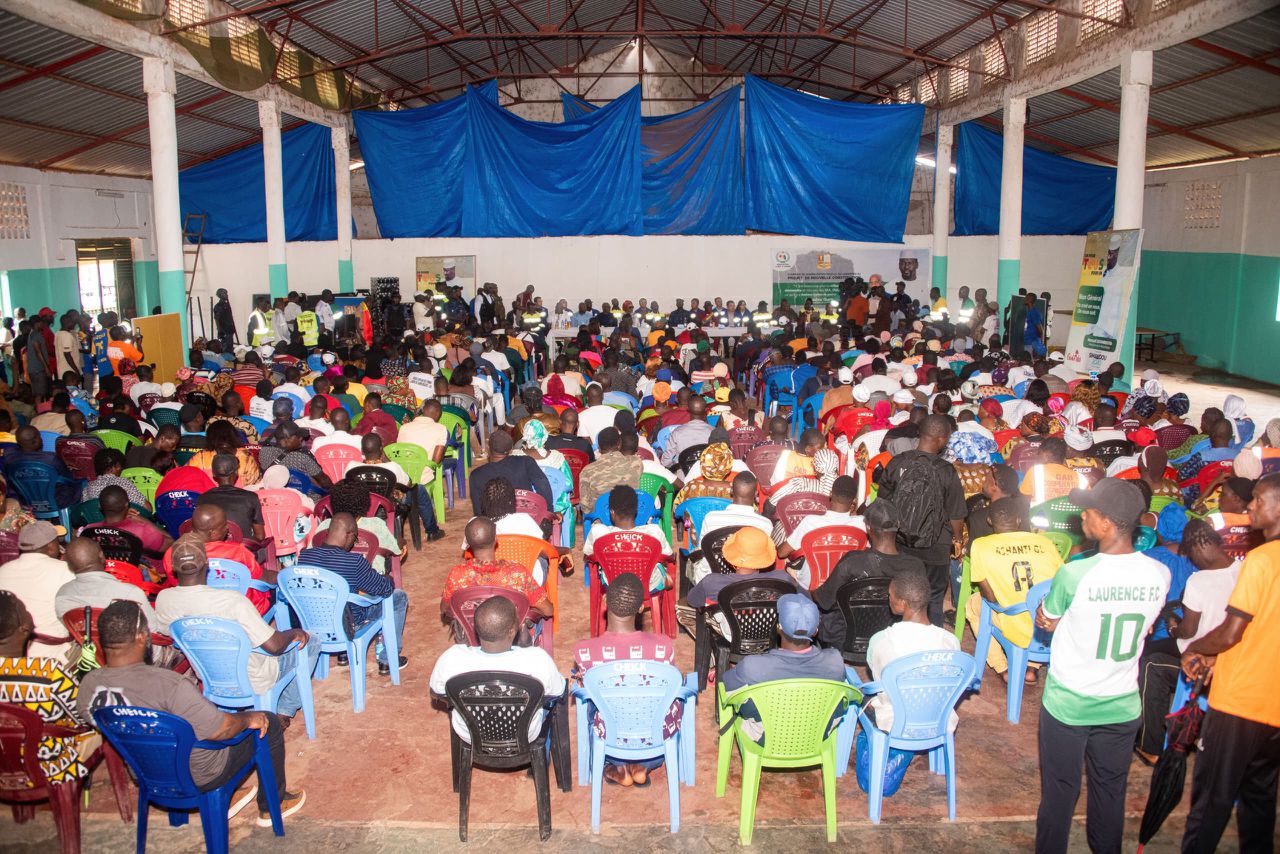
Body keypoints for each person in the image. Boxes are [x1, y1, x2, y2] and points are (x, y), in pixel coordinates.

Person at [79, 599, 306, 827]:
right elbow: (221, 729)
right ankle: (271, 807)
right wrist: (249, 718)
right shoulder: (170, 685)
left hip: (146, 772)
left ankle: (219, 799)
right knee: (269, 722)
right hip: (200, 774)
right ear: (142, 637)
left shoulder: (89, 686)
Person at [1033, 479, 1170, 854]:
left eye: (1088, 512)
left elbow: (1048, 617)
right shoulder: (1159, 574)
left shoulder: (1076, 573)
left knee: (1060, 791)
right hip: (1121, 703)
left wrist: (1051, 617)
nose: (1082, 517)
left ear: (1106, 523)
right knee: (1110, 791)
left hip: (1069, 703)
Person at [1179, 473, 1280, 853]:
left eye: (1259, 499)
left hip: (1240, 700)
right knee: (1260, 800)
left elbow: (1231, 632)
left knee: (1211, 802)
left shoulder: (1261, 559)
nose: (1251, 505)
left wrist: (1196, 649)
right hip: (1274, 704)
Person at [155, 535, 312, 723]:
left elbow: (171, 635)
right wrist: (295, 632)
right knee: (312, 642)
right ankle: (284, 711)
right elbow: (274, 646)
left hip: (208, 677)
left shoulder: (164, 599)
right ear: (207, 563)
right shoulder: (232, 600)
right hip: (254, 678)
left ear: (173, 567)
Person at [1134, 519, 1240, 763]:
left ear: (1195, 548)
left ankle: (1150, 746)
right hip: (1235, 655)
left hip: (1200, 656)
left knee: (1150, 662)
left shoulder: (1199, 581)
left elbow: (1188, 631)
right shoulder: (1244, 571)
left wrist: (1173, 627)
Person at [571, 572, 677, 787]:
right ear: (641, 608)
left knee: (588, 700)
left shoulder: (584, 651)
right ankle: (642, 765)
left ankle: (618, 766)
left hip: (610, 735)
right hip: (652, 735)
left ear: (605, 601)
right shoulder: (663, 646)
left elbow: (582, 691)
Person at [429, 596, 565, 743]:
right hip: (525, 735)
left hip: (470, 735)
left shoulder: (452, 658)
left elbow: (436, 691)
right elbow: (557, 692)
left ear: (475, 627)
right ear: (512, 631)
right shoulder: (537, 659)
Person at [0, 591, 101, 788]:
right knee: (104, 728)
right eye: (25, 610)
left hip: (3, 769)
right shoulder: (48, 673)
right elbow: (82, 717)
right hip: (46, 767)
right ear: (24, 627)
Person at [875, 414, 967, 626]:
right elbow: (956, 514)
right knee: (933, 598)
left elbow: (883, 503)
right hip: (936, 548)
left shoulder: (898, 462)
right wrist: (957, 538)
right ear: (942, 439)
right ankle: (930, 637)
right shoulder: (947, 471)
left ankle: (896, 635)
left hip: (901, 544)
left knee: (900, 594)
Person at [966, 497, 1062, 685]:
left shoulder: (980, 545)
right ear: (1018, 520)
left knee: (972, 605)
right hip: (1047, 624)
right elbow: (1061, 582)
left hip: (1014, 625)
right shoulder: (1044, 542)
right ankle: (1032, 668)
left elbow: (989, 597)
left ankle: (1003, 668)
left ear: (989, 521)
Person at [296, 514, 408, 675]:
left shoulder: (305, 557)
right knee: (399, 597)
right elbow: (384, 590)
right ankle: (388, 660)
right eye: (354, 539)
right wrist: (386, 578)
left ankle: (343, 655)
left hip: (314, 624)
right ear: (349, 535)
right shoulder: (353, 562)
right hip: (350, 624)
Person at [863, 568, 962, 734]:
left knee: (861, 695)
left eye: (890, 595)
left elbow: (876, 671)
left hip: (894, 721)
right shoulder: (950, 641)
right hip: (939, 721)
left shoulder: (881, 640)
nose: (888, 599)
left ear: (903, 603)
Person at [814, 500, 923, 649]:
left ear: (868, 528)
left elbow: (824, 601)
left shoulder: (852, 562)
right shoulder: (916, 566)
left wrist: (808, 591)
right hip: (892, 639)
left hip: (848, 640)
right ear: (898, 525)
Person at [721, 593, 844, 693]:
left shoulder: (751, 666)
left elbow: (725, 687)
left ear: (778, 628)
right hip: (818, 717)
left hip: (764, 717)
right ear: (815, 631)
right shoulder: (835, 662)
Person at [441, 516, 553, 625]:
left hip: (471, 632)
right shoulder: (517, 573)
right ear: (496, 539)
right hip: (509, 632)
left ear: (468, 543)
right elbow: (548, 610)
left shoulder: (457, 574)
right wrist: (529, 612)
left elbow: (444, 609)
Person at [0, 521, 73, 659]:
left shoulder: (3, 570)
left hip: (8, 654)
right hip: (52, 655)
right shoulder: (64, 570)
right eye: (57, 541)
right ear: (51, 547)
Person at [582, 485, 672, 594]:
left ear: (612, 512)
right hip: (649, 586)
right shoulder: (654, 531)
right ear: (636, 510)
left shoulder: (599, 532)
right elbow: (668, 557)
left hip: (613, 584)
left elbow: (588, 555)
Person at [55, 537, 159, 630]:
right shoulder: (130, 593)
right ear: (101, 556)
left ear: (69, 565)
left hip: (86, 645)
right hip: (128, 645)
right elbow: (152, 629)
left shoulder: (62, 595)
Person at [196, 454, 266, 541]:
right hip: (242, 548)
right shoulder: (251, 497)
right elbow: (260, 536)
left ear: (214, 475)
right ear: (236, 473)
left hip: (213, 548)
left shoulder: (202, 498)